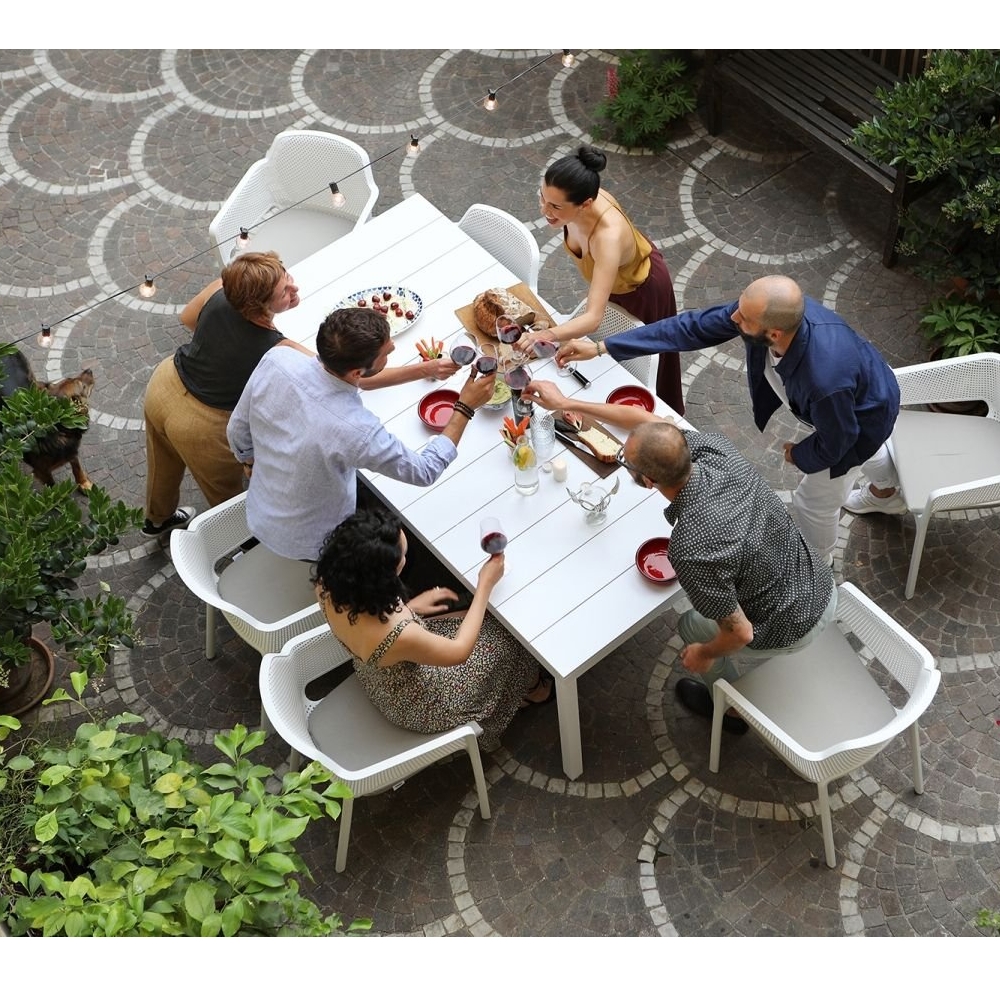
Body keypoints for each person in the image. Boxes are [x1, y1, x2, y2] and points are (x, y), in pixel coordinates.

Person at [554, 274, 902, 563]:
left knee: (813, 501)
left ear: (774, 334)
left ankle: (819, 568)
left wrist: (799, 454)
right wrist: (602, 347)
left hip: (859, 420)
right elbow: (690, 328)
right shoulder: (774, 314)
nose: (733, 318)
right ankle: (887, 491)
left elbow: (839, 441)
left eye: (743, 318)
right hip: (855, 390)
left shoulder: (823, 381)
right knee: (861, 444)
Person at [142, 251, 459, 538]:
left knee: (162, 459)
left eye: (287, 276)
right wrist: (425, 369)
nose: (294, 288)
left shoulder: (228, 287)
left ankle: (157, 519)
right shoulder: (277, 350)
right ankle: (243, 544)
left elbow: (188, 318)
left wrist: (221, 350)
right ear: (259, 306)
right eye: (284, 292)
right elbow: (356, 378)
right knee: (228, 497)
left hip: (165, 382)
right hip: (201, 425)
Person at [227, 306, 495, 562]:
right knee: (402, 544)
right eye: (386, 353)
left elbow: (236, 429)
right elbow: (424, 471)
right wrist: (465, 406)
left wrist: (250, 462)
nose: (393, 347)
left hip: (259, 511)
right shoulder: (355, 429)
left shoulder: (278, 359)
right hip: (313, 542)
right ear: (357, 372)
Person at [313, 507, 553, 753]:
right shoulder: (395, 635)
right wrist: (485, 584)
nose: (405, 560)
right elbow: (459, 652)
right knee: (509, 636)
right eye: (402, 557)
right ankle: (530, 691)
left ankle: (523, 685)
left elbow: (369, 625)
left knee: (473, 617)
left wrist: (411, 608)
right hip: (419, 703)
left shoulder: (328, 583)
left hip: (377, 674)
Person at [523, 145, 684, 415]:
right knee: (605, 352)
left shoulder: (607, 237)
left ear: (585, 204)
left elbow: (592, 318)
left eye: (555, 206)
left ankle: (663, 415)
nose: (544, 210)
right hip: (615, 282)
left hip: (641, 290)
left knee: (648, 358)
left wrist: (545, 335)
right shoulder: (577, 198)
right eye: (542, 198)